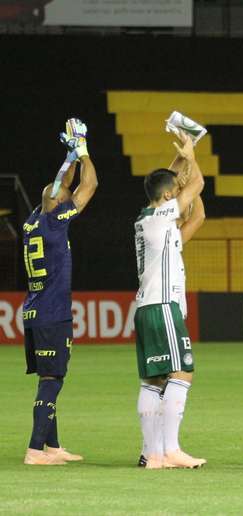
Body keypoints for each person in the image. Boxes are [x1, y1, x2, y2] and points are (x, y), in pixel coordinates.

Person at [22, 118, 97, 465]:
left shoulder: (34, 219)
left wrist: (68, 157)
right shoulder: (55, 221)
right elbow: (90, 185)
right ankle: (36, 450)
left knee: (48, 376)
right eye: (66, 196)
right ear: (61, 205)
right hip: (53, 312)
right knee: (52, 379)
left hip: (35, 310)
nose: (69, 194)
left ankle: (52, 446)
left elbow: (58, 187)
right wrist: (83, 152)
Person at [134, 128, 206, 469]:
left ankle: (152, 454)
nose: (182, 197)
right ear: (167, 197)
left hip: (150, 306)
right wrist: (192, 161)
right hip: (162, 306)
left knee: (154, 380)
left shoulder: (154, 222)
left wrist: (182, 163)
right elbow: (196, 187)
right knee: (182, 373)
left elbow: (198, 215)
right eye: (176, 193)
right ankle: (171, 449)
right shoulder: (160, 217)